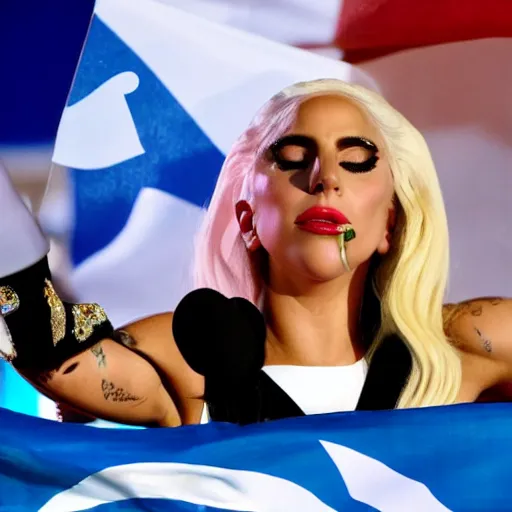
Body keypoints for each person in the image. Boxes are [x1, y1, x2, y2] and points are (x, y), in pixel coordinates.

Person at [1, 79, 510, 428]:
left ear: (390, 224)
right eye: (293, 158)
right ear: (247, 221)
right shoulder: (189, 361)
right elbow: (52, 347)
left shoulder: (467, 350)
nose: (324, 178)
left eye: (355, 161)